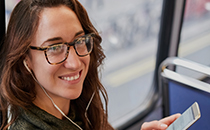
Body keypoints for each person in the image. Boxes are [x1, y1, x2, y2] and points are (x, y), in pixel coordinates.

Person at [0, 0, 180, 130]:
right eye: (55, 48)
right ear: (26, 59)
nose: (74, 62)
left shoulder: (79, 108)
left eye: (79, 40)